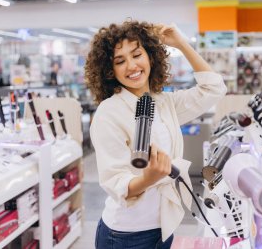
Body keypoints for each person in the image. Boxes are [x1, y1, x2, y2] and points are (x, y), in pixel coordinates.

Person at [85, 20, 227, 249]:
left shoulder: (163, 102)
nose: (131, 66)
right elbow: (116, 182)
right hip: (126, 235)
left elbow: (214, 89)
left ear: (150, 56)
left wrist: (181, 44)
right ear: (109, 71)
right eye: (120, 61)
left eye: (137, 54)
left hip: (164, 226)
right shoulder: (109, 113)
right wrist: (147, 178)